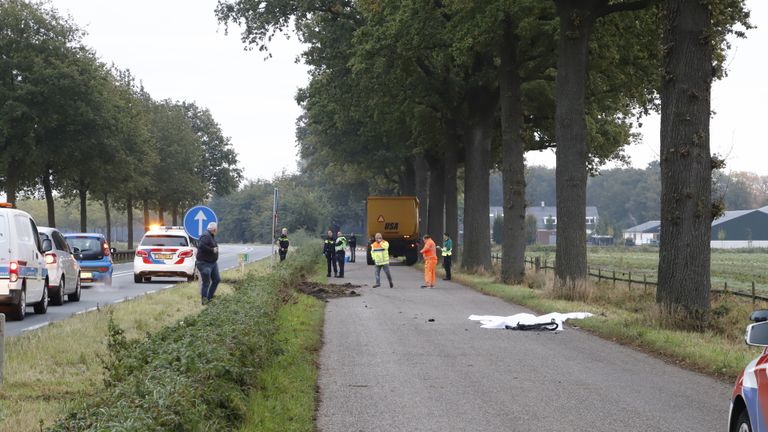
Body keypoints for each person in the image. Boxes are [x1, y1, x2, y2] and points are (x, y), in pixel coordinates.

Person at [196, 222, 220, 304]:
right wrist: (212, 250)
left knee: (216, 280)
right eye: (216, 229)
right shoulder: (206, 236)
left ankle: (210, 298)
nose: (217, 231)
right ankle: (204, 301)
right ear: (214, 229)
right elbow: (201, 246)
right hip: (204, 263)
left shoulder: (211, 236)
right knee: (206, 283)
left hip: (212, 263)